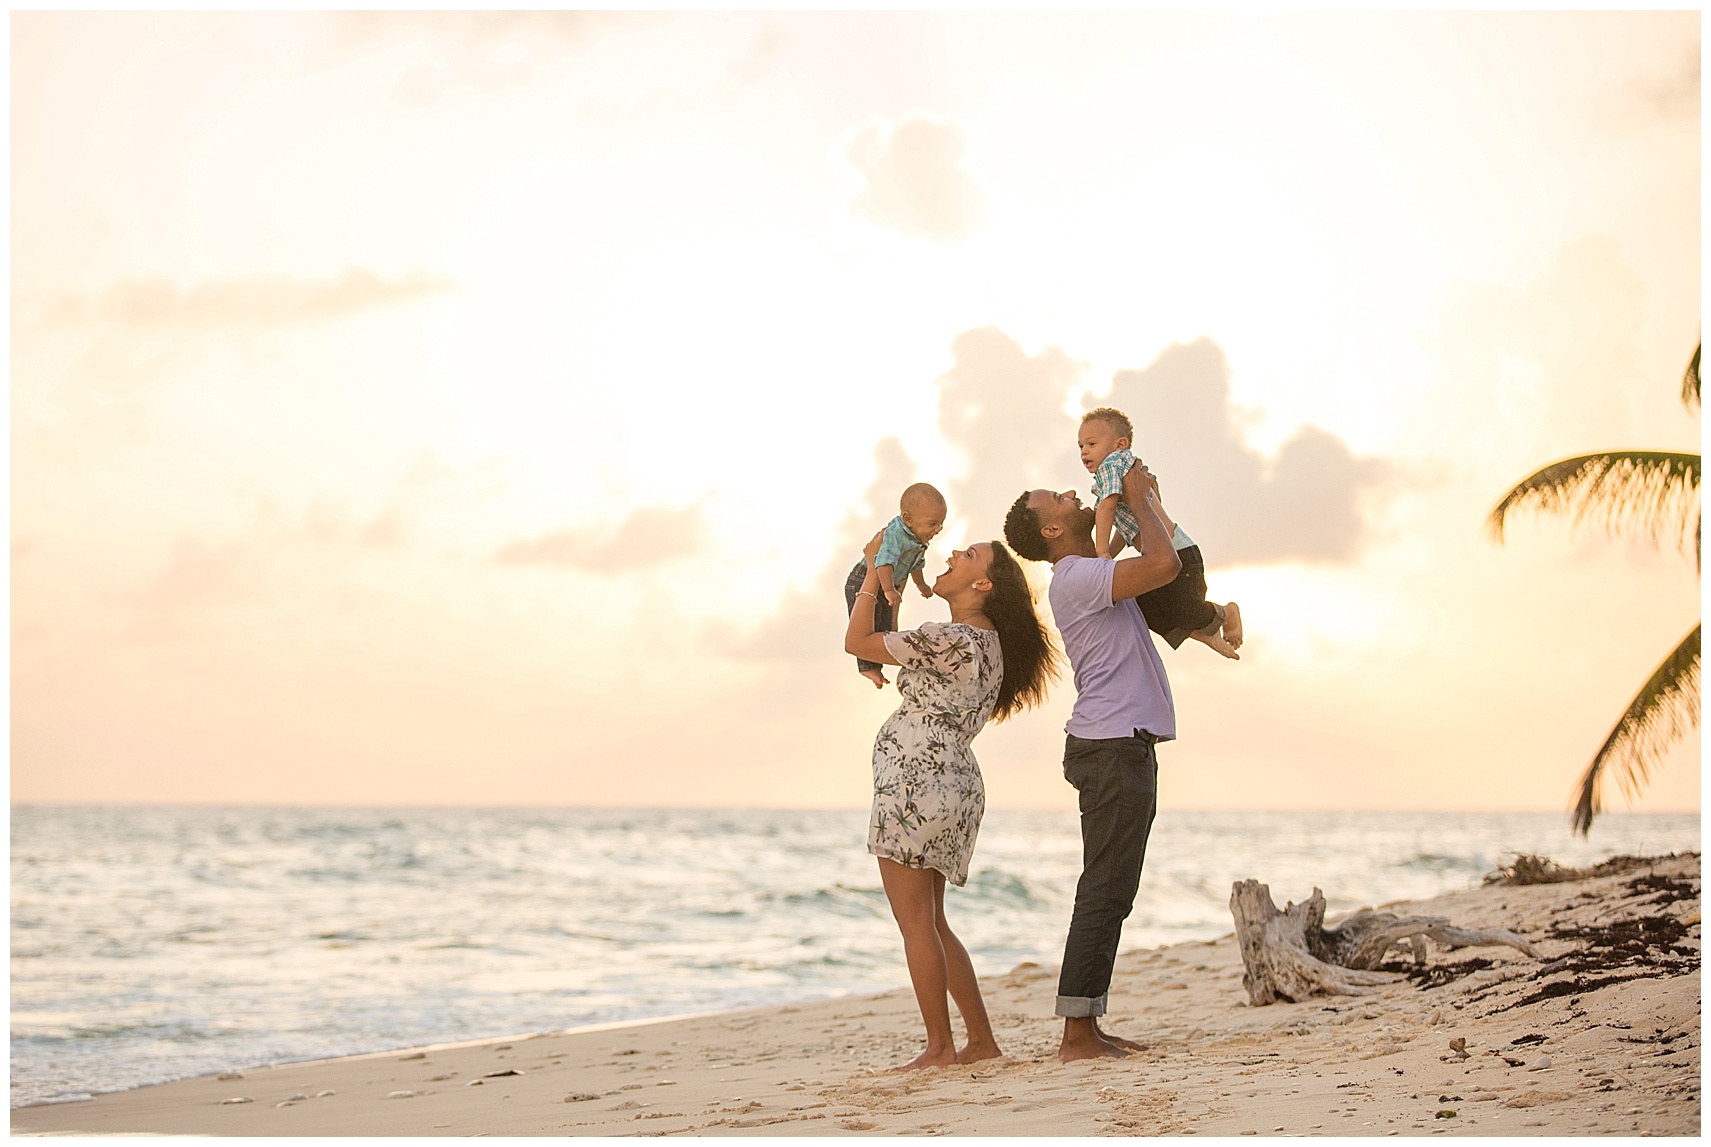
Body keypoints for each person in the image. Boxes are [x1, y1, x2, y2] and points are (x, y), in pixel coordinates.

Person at [845, 532, 1059, 1070]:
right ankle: (979, 1042)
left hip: (919, 782)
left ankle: (940, 1048)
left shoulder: (952, 637)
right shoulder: (982, 641)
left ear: (982, 583)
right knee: (934, 923)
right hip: (950, 781)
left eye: (966, 557)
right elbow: (892, 642)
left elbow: (858, 642)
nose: (952, 556)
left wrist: (874, 573)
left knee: (917, 924)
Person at [1003, 461, 1180, 1062]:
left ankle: (1088, 1023)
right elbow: (1164, 565)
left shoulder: (1092, 571)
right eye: (1056, 496)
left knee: (1112, 888)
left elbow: (1158, 562)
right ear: (1051, 529)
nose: (1073, 491)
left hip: (1118, 743)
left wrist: (1141, 502)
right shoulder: (1077, 577)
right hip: (1110, 748)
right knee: (1105, 888)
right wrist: (1136, 495)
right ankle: (1077, 1035)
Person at [1078, 407, 1242, 659]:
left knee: (1186, 608)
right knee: (1143, 606)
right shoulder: (1120, 473)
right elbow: (1125, 530)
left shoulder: (1113, 465)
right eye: (1080, 446)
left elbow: (1106, 509)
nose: (1084, 452)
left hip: (1178, 551)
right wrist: (1108, 554)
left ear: (1120, 445)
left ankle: (1226, 612)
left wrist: (1100, 552)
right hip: (1159, 555)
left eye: (1091, 443)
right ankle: (1203, 633)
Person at [843, 483, 947, 689]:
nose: (938, 529)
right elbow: (883, 563)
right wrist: (890, 589)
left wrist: (921, 584)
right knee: (870, 624)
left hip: (889, 584)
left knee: (887, 627)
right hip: (865, 578)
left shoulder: (918, 538)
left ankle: (876, 665)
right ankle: (865, 666)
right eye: (932, 523)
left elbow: (915, 564)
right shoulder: (895, 535)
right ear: (908, 519)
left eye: (941, 524)